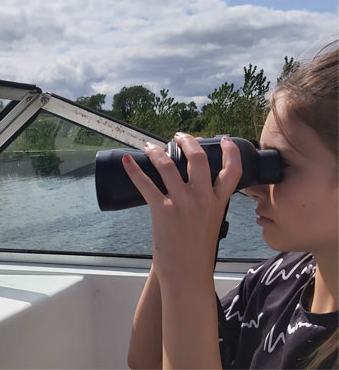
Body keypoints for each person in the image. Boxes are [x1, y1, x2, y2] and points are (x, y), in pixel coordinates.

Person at [124, 44, 338, 369]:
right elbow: (150, 361)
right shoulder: (277, 280)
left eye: (278, 166)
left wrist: (188, 272)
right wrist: (176, 242)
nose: (252, 188)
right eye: (261, 158)